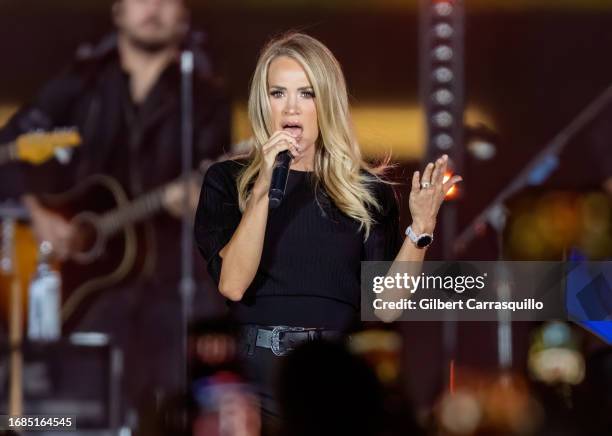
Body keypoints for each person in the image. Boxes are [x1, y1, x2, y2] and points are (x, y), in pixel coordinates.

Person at [194, 32, 460, 426]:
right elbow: (233, 284)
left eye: (306, 93)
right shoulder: (226, 180)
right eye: (277, 92)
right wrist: (264, 187)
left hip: (335, 375)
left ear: (326, 101)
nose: (291, 107)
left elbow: (386, 307)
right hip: (254, 378)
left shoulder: (365, 191)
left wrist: (421, 228)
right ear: (262, 101)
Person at [0, 0, 231, 424]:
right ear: (118, 11)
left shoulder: (204, 100)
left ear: (184, 15)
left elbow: (216, 195)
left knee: (166, 413)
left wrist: (202, 204)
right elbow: (9, 151)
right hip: (88, 293)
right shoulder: (81, 85)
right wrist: (38, 212)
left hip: (169, 293)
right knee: (80, 413)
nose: (154, 8)